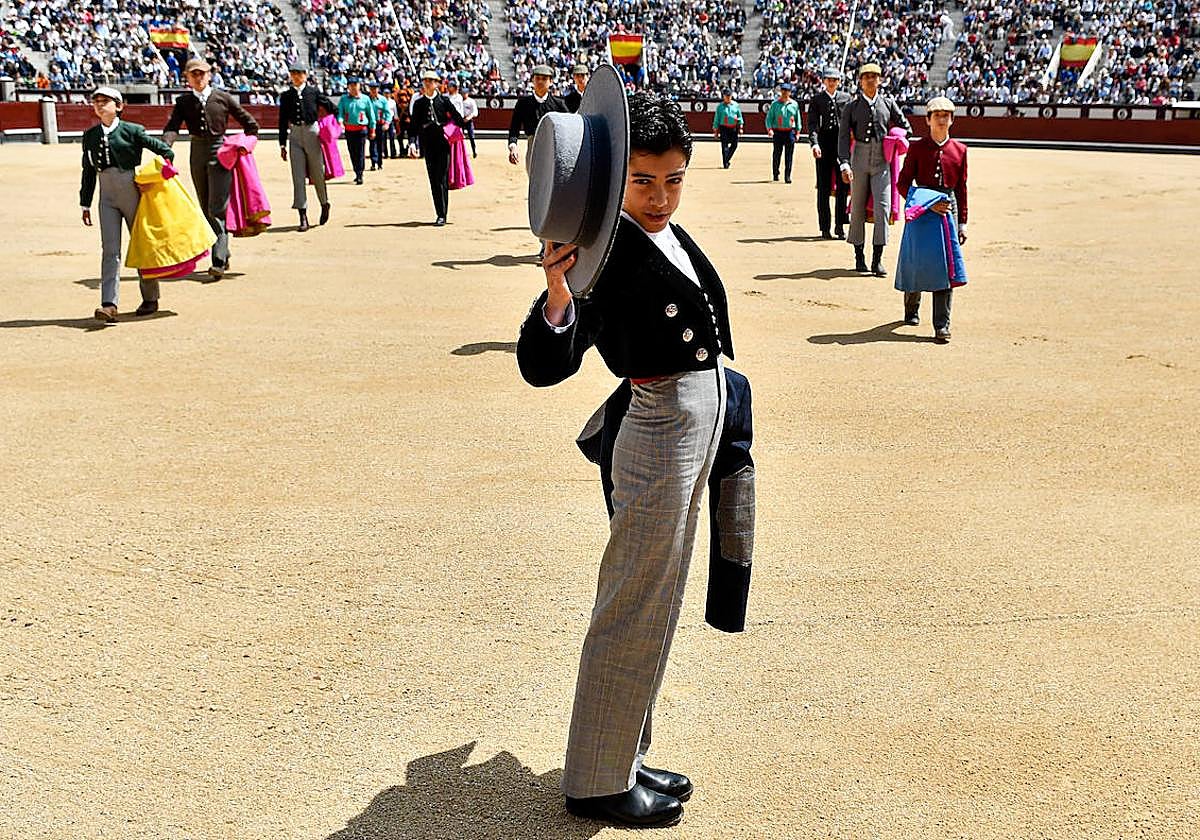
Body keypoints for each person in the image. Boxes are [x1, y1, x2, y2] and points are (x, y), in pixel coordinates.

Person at [517, 77, 735, 829]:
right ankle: (596, 781)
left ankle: (624, 756)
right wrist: (557, 294)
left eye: (674, 180)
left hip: (693, 423)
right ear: (618, 180)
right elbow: (543, 364)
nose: (662, 197)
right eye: (644, 181)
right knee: (634, 603)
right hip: (659, 428)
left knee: (658, 602)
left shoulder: (661, 233)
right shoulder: (600, 253)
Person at [79, 86, 175, 322]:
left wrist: (156, 175)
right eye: (96, 101)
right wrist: (85, 203)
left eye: (105, 101)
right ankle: (109, 304)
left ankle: (150, 297)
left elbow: (165, 152)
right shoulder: (90, 135)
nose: (99, 104)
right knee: (110, 250)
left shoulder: (132, 130)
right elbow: (88, 171)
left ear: (119, 106)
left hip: (132, 192)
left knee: (142, 245)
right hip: (106, 197)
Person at [162, 56, 260, 280]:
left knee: (217, 207)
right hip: (197, 153)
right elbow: (172, 127)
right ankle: (223, 251)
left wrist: (244, 144)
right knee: (205, 207)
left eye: (201, 74)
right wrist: (165, 148)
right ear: (187, 78)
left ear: (209, 75)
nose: (198, 78)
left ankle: (217, 261)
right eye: (193, 74)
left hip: (220, 153)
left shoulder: (222, 97)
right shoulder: (184, 102)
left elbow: (250, 124)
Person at [896, 96, 969, 342]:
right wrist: (926, 202)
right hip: (921, 209)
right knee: (917, 260)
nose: (941, 119)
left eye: (946, 115)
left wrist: (962, 222)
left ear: (952, 120)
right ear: (927, 120)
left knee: (946, 265)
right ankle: (911, 307)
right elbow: (903, 183)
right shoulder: (917, 148)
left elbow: (961, 189)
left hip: (948, 208)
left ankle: (941, 324)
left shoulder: (960, 150)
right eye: (937, 115)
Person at [838, 62, 912, 276]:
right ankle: (859, 256)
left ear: (880, 80)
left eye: (874, 76)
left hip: (882, 160)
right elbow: (843, 138)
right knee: (857, 208)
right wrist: (844, 163)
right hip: (859, 158)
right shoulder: (852, 107)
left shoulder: (888, 103)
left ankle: (877, 259)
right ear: (860, 81)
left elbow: (906, 128)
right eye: (866, 76)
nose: (870, 80)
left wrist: (894, 138)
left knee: (883, 207)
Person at [278, 60, 335, 231]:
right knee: (297, 177)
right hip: (295, 135)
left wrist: (333, 123)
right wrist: (282, 144)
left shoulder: (313, 92)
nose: (296, 76)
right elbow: (282, 121)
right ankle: (303, 216)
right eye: (293, 73)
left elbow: (331, 107)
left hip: (312, 133)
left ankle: (324, 203)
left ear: (305, 75)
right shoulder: (286, 96)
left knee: (318, 173)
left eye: (299, 73)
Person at [409, 70, 467, 225]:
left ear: (437, 84)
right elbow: (413, 126)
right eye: (426, 81)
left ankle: (442, 214)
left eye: (431, 80)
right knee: (433, 180)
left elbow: (458, 119)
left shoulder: (444, 101)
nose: (428, 83)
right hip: (428, 145)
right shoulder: (419, 103)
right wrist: (412, 143)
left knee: (441, 179)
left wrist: (454, 129)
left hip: (443, 145)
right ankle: (439, 212)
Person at [808, 67, 851, 239]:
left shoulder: (846, 98)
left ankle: (840, 226)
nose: (831, 82)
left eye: (835, 80)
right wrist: (814, 144)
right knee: (823, 188)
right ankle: (825, 227)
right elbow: (812, 124)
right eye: (829, 79)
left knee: (843, 187)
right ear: (824, 81)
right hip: (824, 146)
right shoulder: (817, 100)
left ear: (839, 82)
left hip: (842, 146)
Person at [507, 63, 568, 169]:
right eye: (537, 78)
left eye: (544, 79)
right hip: (533, 145)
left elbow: (568, 128)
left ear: (551, 82)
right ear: (532, 80)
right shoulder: (523, 104)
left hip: (554, 148)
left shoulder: (559, 104)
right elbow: (514, 128)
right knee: (533, 176)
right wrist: (513, 147)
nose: (540, 82)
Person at [338, 77, 375, 184]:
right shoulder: (344, 99)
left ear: (359, 86)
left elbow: (371, 115)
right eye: (351, 85)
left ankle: (360, 174)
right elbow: (340, 113)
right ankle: (356, 170)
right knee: (352, 152)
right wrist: (340, 122)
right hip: (349, 129)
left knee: (360, 152)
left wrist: (372, 129)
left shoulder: (365, 99)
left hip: (361, 129)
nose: (353, 87)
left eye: (355, 85)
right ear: (348, 87)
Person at [765, 82, 800, 183]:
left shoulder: (794, 104)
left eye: (787, 91)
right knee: (777, 154)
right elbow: (769, 118)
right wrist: (769, 129)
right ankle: (775, 173)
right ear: (780, 91)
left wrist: (798, 132)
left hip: (790, 132)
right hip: (778, 132)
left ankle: (787, 176)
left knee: (789, 155)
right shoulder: (775, 104)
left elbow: (798, 119)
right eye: (783, 90)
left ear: (790, 92)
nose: (785, 92)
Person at [711, 88, 743, 169]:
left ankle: (726, 159)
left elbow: (740, 117)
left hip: (734, 128)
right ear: (723, 96)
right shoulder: (720, 107)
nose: (728, 97)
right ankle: (725, 163)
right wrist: (715, 131)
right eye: (726, 96)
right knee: (724, 146)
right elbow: (717, 119)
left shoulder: (736, 105)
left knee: (734, 145)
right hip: (724, 128)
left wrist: (740, 127)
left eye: (729, 96)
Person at [367, 81, 392, 170]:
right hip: (370, 125)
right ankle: (373, 162)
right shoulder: (367, 99)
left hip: (380, 124)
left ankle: (380, 163)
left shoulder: (383, 100)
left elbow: (388, 113)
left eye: (375, 88)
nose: (374, 90)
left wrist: (387, 123)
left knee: (380, 144)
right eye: (372, 89)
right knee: (372, 144)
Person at [459, 86, 479, 158]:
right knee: (459, 137)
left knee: (471, 136)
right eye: (462, 93)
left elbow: (475, 112)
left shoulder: (471, 101)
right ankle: (460, 152)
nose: (463, 94)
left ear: (468, 93)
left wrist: (468, 118)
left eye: (465, 93)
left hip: (469, 120)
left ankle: (474, 151)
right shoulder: (459, 101)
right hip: (460, 120)